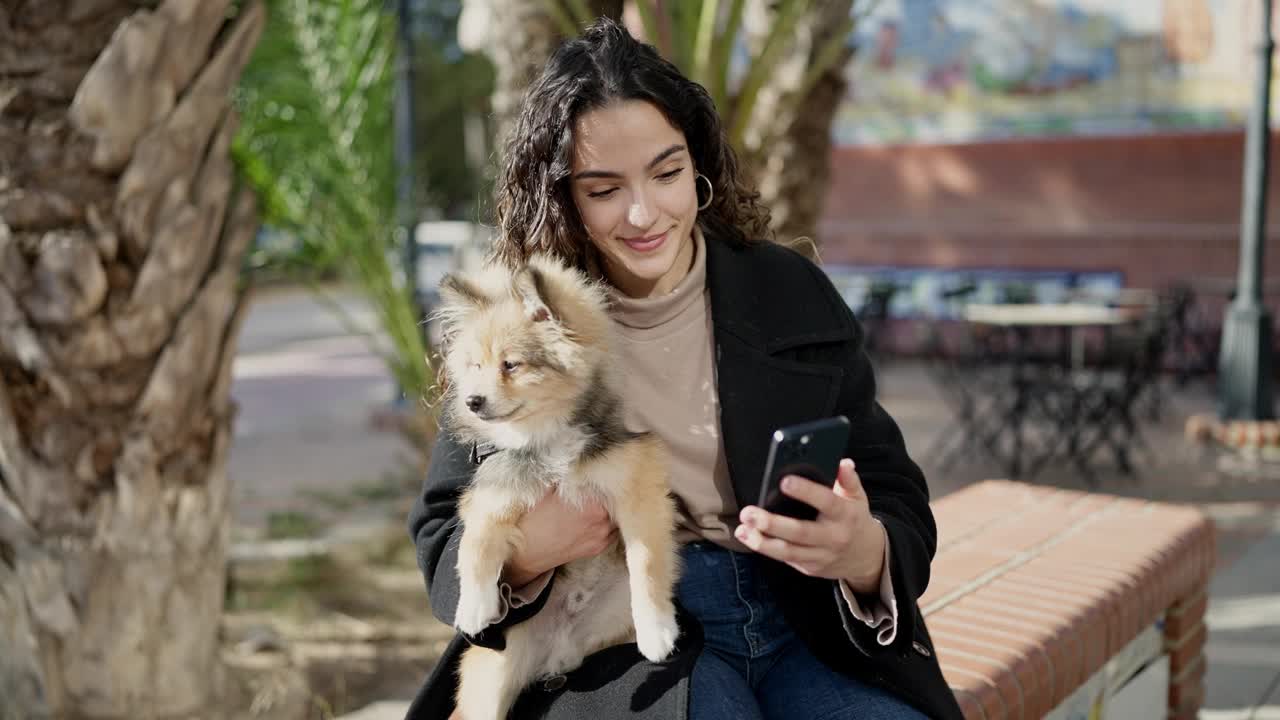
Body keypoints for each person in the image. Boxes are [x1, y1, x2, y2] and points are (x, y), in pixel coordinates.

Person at [406, 17, 964, 720]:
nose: (644, 213)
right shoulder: (525, 326)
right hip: (623, 628)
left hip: (806, 616)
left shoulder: (789, 292)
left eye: (666, 173)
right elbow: (440, 534)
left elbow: (892, 490)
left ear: (697, 165)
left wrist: (866, 550)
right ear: (566, 199)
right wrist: (527, 555)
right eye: (604, 189)